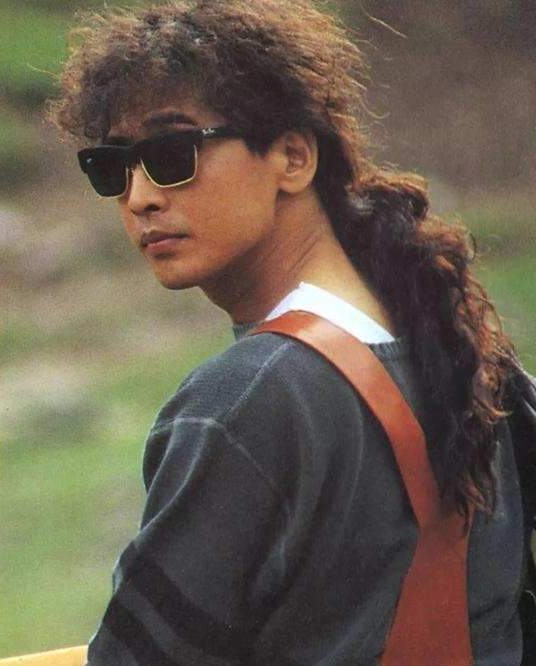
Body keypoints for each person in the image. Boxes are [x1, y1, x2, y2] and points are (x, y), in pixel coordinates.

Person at [47, 1, 525, 663]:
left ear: (293, 157)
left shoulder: (247, 400)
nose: (139, 197)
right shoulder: (465, 351)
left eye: (171, 154)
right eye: (112, 167)